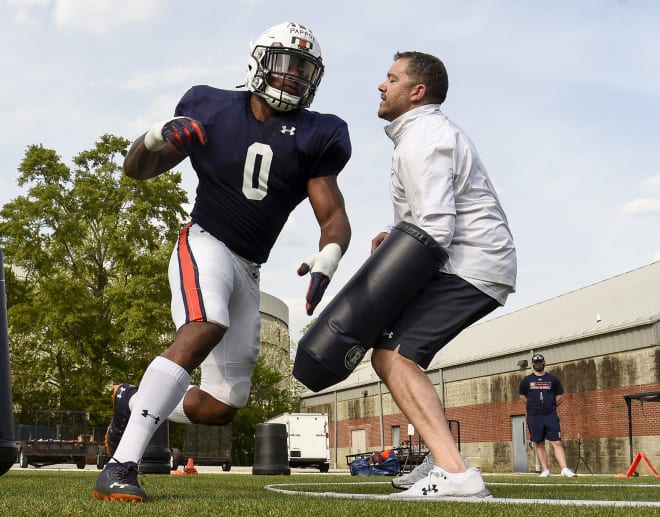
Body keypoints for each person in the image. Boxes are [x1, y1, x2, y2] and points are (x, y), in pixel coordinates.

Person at [92, 22, 352, 502]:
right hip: (205, 240)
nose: (293, 77)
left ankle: (133, 399)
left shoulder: (319, 134)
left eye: (304, 70)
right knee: (204, 323)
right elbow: (137, 171)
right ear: (258, 61)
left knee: (222, 405)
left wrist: (328, 257)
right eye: (285, 64)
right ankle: (120, 466)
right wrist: (154, 136)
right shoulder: (209, 108)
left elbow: (334, 217)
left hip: (250, 267)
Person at [370, 51, 517, 499]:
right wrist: (393, 238)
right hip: (467, 262)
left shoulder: (424, 137)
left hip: (469, 265)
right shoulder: (417, 136)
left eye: (391, 78)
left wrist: (390, 274)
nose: (381, 85)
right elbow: (423, 220)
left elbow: (435, 227)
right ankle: (442, 458)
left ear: (416, 92)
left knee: (393, 356)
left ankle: (456, 475)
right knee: (394, 355)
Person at [519, 353, 577, 478]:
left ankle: (564, 469)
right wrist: (533, 406)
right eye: (536, 362)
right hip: (534, 416)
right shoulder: (526, 380)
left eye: (540, 362)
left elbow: (560, 396)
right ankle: (545, 470)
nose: (538, 364)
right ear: (533, 364)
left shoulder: (553, 379)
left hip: (550, 415)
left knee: (556, 442)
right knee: (539, 443)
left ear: (544, 363)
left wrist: (550, 406)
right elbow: (522, 397)